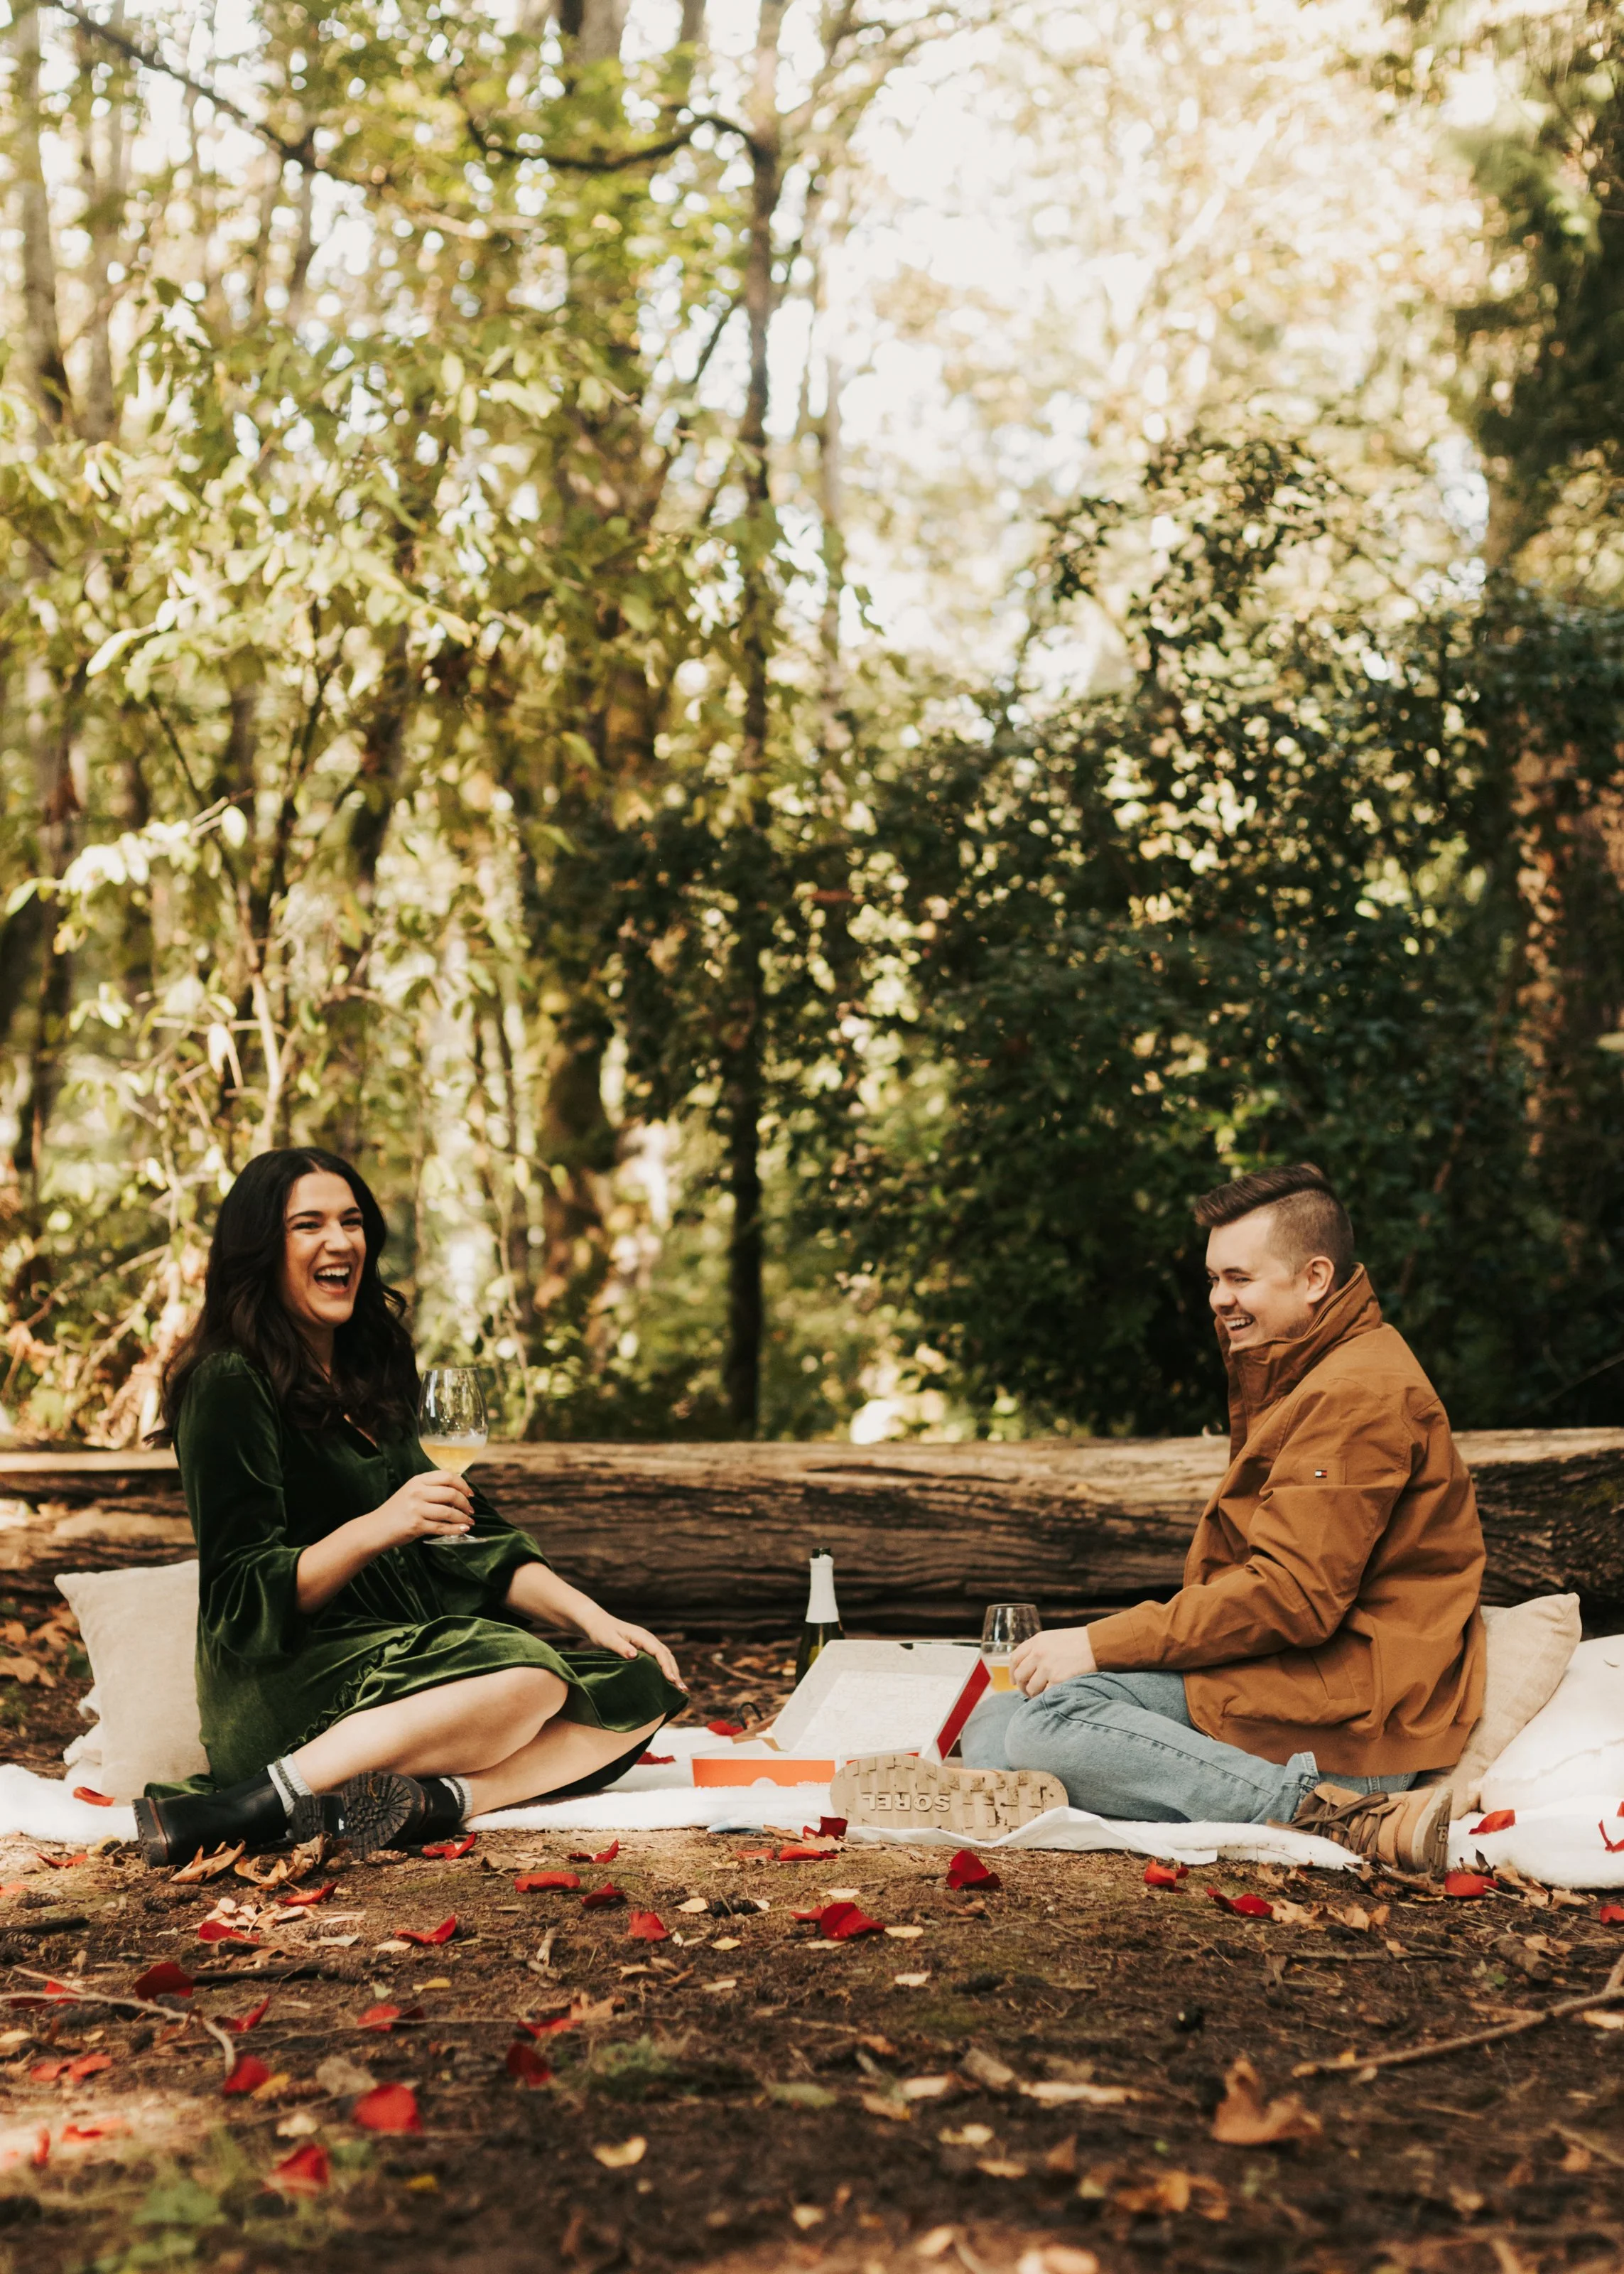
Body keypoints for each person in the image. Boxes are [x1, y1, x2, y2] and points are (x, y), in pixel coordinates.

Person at [834, 1164, 1486, 1872]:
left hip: (1355, 1720)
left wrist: (1101, 1644)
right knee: (1005, 1713)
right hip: (1294, 1678)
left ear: (1315, 1277)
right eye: (1213, 1279)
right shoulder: (1308, 1367)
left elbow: (1292, 1598)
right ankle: (1063, 1790)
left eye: (1238, 1278)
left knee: (1051, 1719)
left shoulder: (1358, 1394)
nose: (1219, 1299)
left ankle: (1336, 1817)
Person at [134, 1147, 687, 1868]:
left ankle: (440, 1802)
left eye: (353, 1221)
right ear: (263, 1249)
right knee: (531, 1676)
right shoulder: (230, 1382)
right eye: (309, 1225)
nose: (340, 1241)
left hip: (404, 1661)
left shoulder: (374, 1369)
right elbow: (241, 1594)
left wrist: (595, 1617)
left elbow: (473, 1532)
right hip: (286, 1679)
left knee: (643, 1683)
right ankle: (257, 1801)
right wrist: (381, 1525)